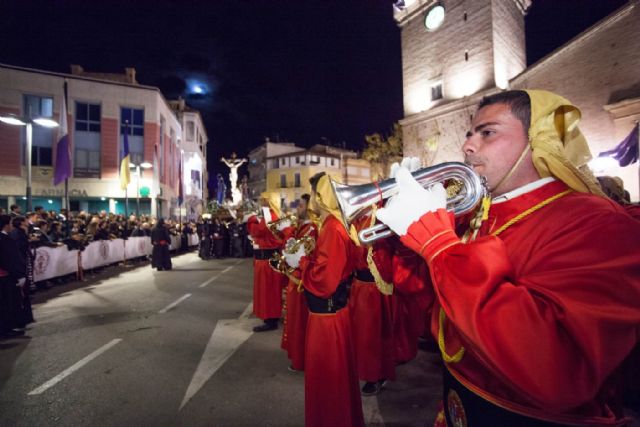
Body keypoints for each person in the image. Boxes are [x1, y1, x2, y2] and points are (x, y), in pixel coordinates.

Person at [376, 90, 640, 426]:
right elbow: (431, 306)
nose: (468, 146)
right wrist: (407, 239)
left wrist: (440, 244)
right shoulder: (480, 215)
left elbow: (556, 367)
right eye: (470, 135)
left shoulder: (597, 221)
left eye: (487, 133)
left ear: (539, 142)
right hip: (462, 401)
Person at [285, 172, 364, 427]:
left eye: (315, 196)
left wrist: (302, 262)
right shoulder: (335, 224)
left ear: (321, 196)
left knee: (328, 379)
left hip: (327, 318)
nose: (311, 203)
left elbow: (324, 279)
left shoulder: (332, 227)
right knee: (336, 378)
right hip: (333, 314)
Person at [278, 193, 318, 372]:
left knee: (299, 322)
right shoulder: (302, 228)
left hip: (301, 281)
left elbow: (295, 251)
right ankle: (298, 357)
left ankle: (301, 360)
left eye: (301, 205)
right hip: (295, 278)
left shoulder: (311, 230)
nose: (297, 208)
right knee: (294, 320)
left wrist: (287, 232)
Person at [246, 192, 287, 332]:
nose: (261, 202)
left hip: (267, 261)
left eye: (263, 200)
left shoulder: (269, 216)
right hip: (266, 259)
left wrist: (251, 219)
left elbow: (258, 230)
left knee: (269, 292)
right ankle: (269, 317)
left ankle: (271, 320)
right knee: (268, 291)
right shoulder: (269, 215)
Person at [0, 215, 27, 338]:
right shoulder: (5, 240)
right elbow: (10, 260)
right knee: (6, 304)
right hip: (5, 276)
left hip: (6, 274)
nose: (12, 226)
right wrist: (19, 274)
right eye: (10, 223)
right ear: (6, 225)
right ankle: (6, 329)